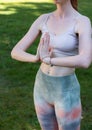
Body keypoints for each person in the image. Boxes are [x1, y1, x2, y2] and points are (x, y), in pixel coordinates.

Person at [11, 0, 92, 130]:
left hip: (66, 90)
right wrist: (36, 58)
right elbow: (15, 51)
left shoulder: (82, 21)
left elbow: (85, 60)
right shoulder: (44, 18)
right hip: (41, 86)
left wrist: (49, 60)